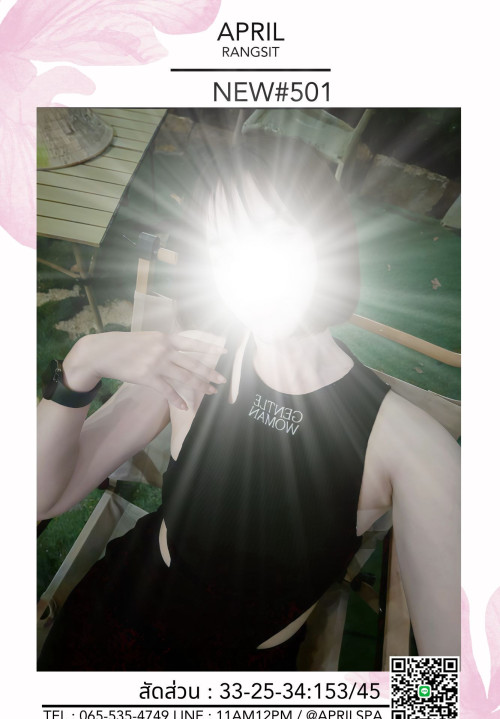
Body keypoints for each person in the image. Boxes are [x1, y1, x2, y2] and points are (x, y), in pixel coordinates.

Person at [37, 133, 460, 670]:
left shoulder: (413, 446)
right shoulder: (194, 356)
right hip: (113, 619)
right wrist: (81, 365)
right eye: (223, 250)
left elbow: (462, 695)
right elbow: (41, 498)